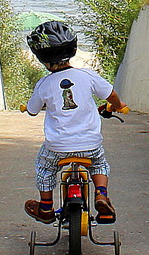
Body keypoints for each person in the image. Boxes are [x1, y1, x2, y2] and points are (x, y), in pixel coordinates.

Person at [22, 20, 125, 225]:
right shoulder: (87, 76)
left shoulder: (43, 84)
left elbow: (33, 110)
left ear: (42, 57)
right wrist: (118, 106)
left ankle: (45, 208)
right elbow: (111, 94)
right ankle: (101, 195)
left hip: (57, 147)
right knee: (99, 164)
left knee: (44, 169)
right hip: (90, 145)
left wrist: (29, 108)